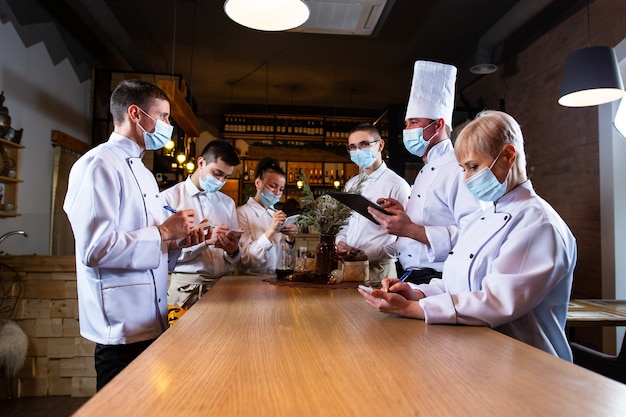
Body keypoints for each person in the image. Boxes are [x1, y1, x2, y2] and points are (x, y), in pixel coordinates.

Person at [360, 110, 577, 361]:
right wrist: (415, 292)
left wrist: (412, 308)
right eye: (463, 169)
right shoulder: (482, 219)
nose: (466, 179)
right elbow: (457, 283)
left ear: (508, 156)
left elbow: (496, 302)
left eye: (473, 167)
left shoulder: (538, 224)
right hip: (479, 355)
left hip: (526, 361)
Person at [63, 79, 202, 390]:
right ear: (136, 114)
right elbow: (96, 249)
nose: (169, 125)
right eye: (164, 116)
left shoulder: (143, 171)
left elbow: (151, 240)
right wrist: (165, 231)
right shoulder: (98, 164)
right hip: (120, 324)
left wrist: (178, 241)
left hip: (150, 317)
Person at [369, 60, 485, 284]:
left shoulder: (459, 168)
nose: (407, 130)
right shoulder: (425, 170)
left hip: (442, 279)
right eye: (406, 124)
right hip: (414, 275)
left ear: (438, 125)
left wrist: (410, 229)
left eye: (414, 122)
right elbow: (433, 220)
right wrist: (403, 215)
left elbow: (475, 234)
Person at [161, 139, 242, 310]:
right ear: (201, 162)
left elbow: (235, 257)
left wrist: (232, 250)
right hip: (186, 287)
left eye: (226, 177)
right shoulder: (169, 199)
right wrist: (204, 242)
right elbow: (164, 256)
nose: (221, 181)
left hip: (224, 286)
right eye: (217, 173)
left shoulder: (227, 203)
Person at [335, 123, 410, 281]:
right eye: (352, 147)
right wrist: (340, 242)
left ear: (380, 145)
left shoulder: (397, 185)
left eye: (364, 144)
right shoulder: (351, 184)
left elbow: (406, 237)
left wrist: (366, 254)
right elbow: (344, 224)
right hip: (348, 266)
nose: (358, 151)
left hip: (379, 269)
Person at [237, 157, 297, 275]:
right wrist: (270, 231)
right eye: (273, 186)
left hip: (278, 280)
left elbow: (286, 260)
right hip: (251, 282)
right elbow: (247, 260)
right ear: (258, 183)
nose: (277, 193)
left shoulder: (277, 215)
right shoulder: (242, 213)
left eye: (281, 189)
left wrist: (290, 239)